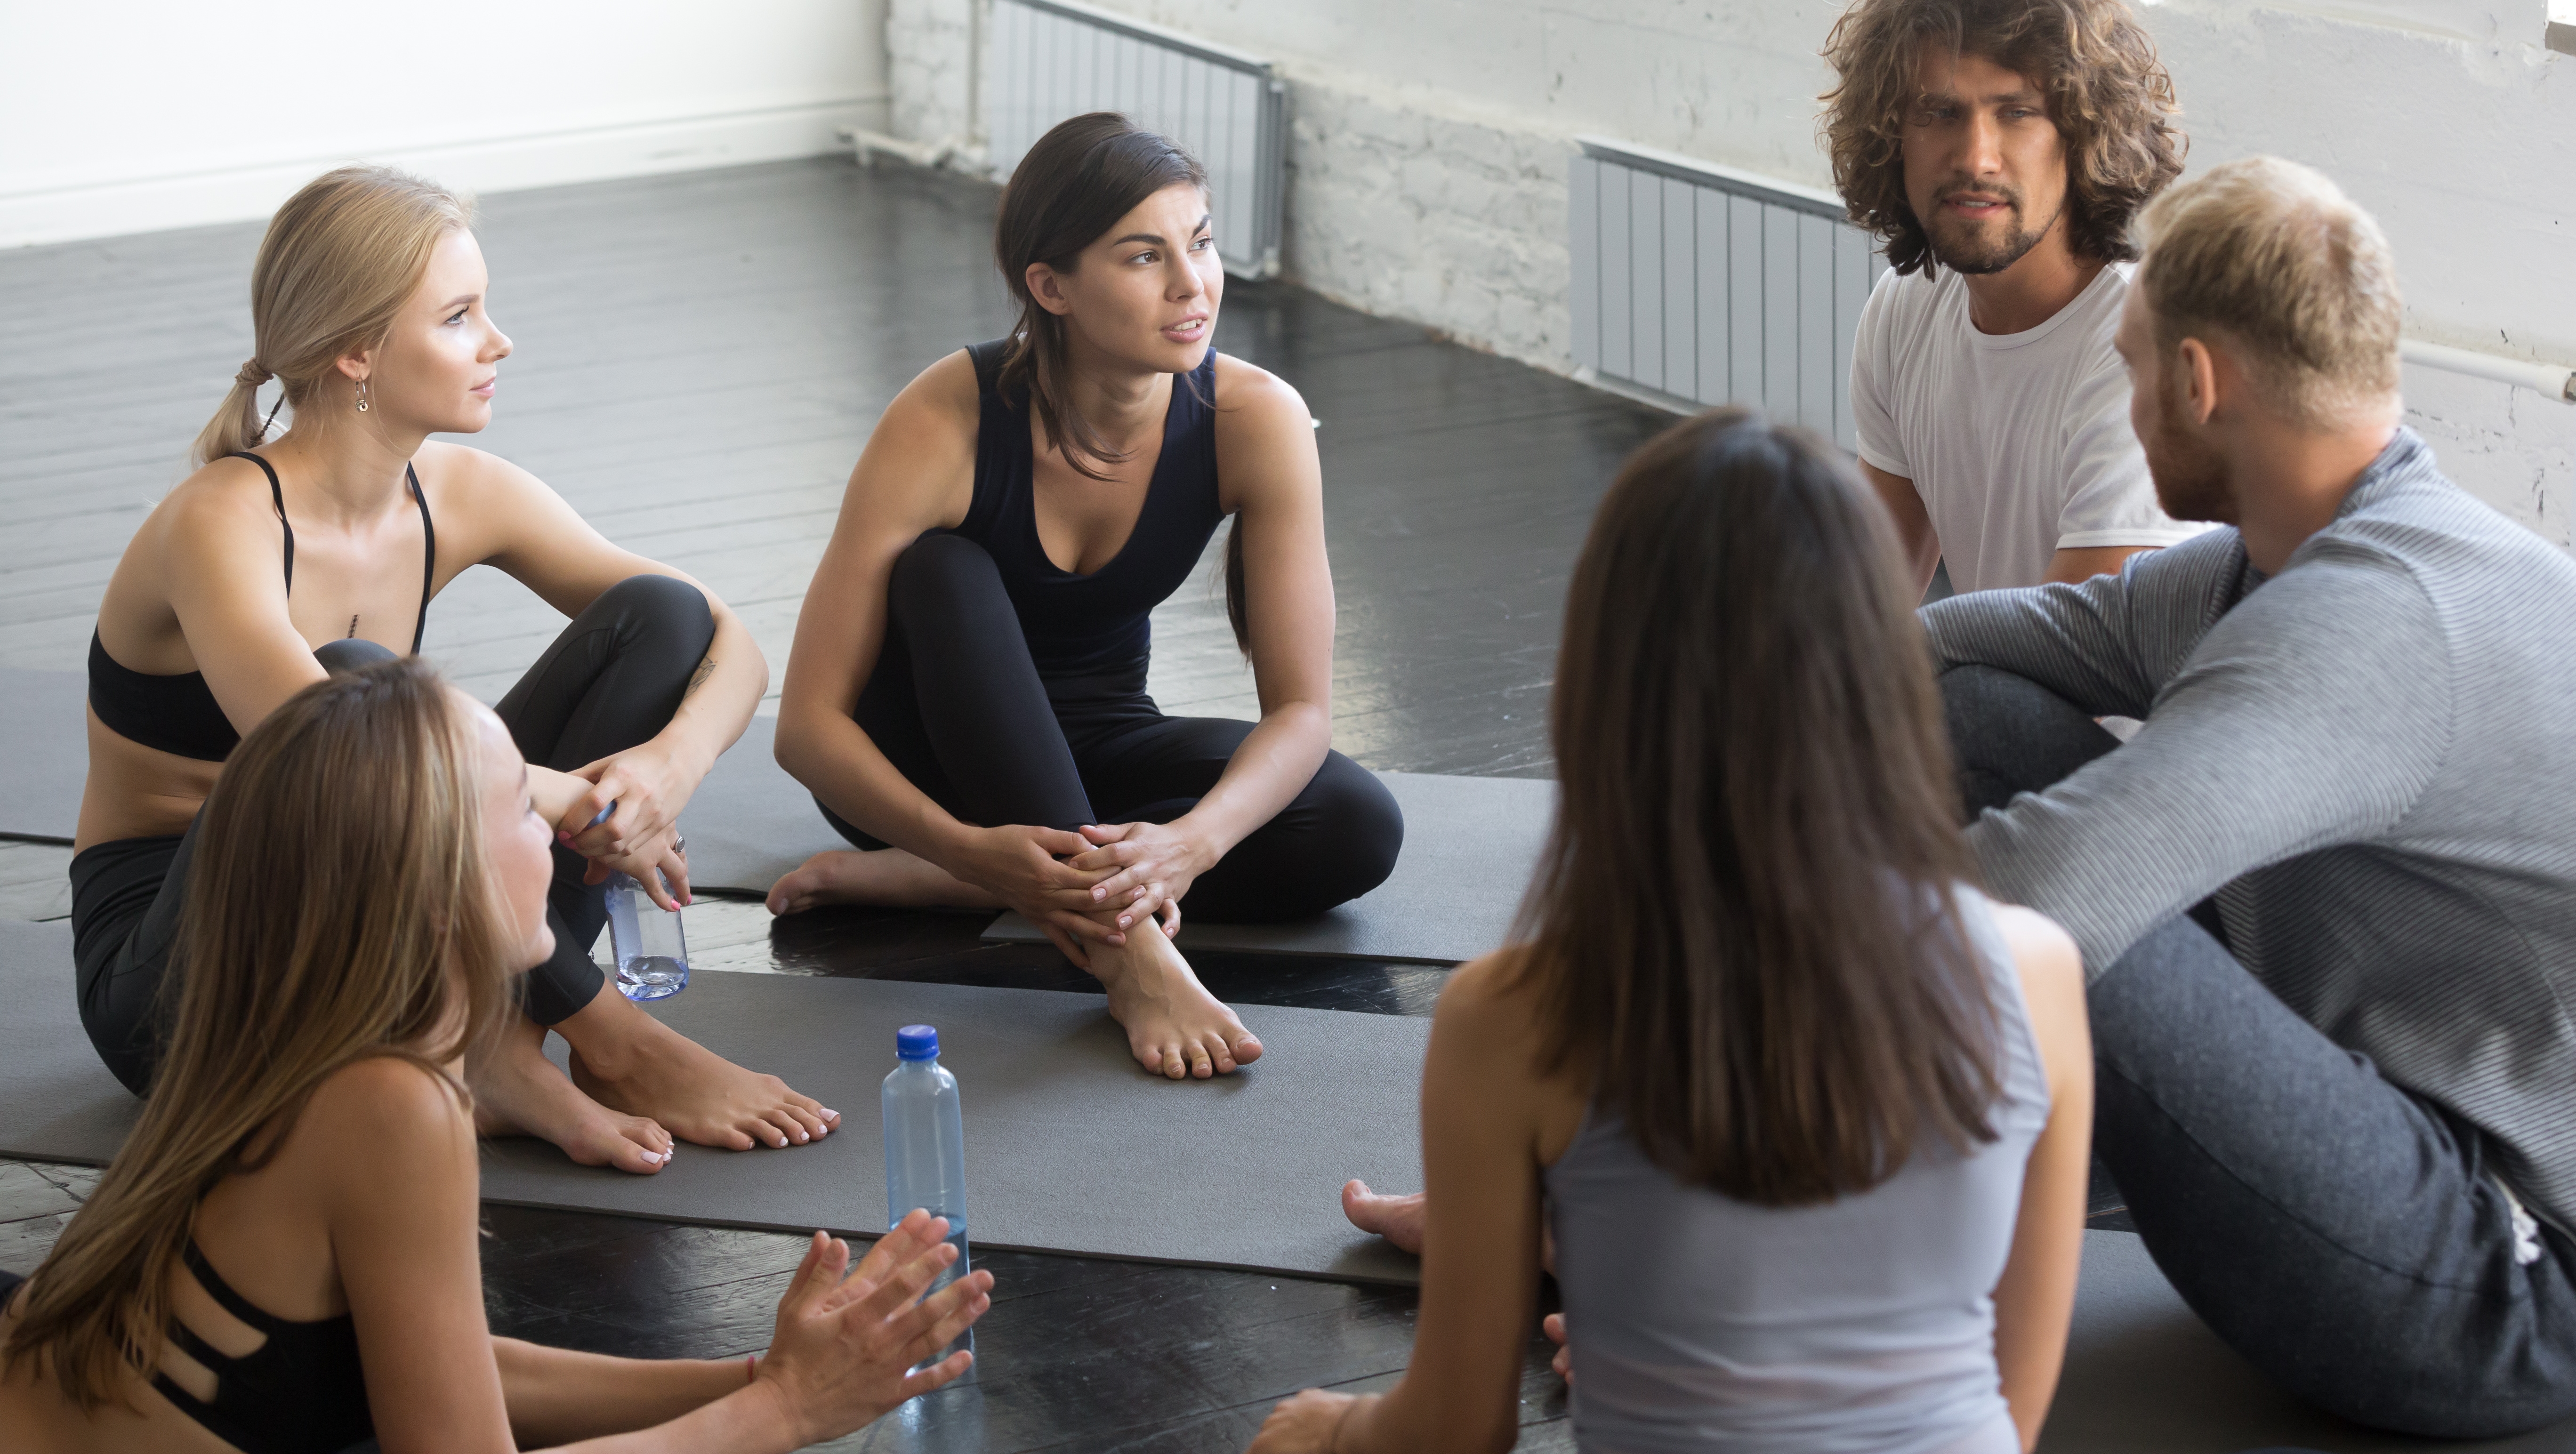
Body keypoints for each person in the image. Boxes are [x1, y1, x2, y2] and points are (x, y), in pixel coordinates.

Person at [1253, 410, 2094, 1453]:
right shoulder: (2039, 968)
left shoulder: (1512, 1015)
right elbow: (2012, 1407)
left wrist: (1336, 1427)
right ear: (1879, 676)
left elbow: (1455, 1428)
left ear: (1611, 684)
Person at [1926, 156, 2576, 1436]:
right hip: (2373, 1102)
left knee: (2045, 935)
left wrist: (1613, 1134)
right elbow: (1975, 643)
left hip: (2505, 1274)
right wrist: (1755, 680)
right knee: (1966, 712)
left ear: (2196, 381)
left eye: (2126, 366)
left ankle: (1726, 1208)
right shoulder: (2270, 562)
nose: (2124, 401)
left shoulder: (2385, 622)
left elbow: (2038, 898)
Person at [2, 660, 989, 1452]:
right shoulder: (388, 1101)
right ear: (439, 895)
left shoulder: (320, 1041)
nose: (561, 830)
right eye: (526, 806)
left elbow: (457, 1367)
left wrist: (760, 1379)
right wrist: (781, 1416)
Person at [75, 165, 835, 1174]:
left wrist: (661, 775)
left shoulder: (460, 493)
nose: (500, 341)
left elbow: (723, 637)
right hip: (189, 986)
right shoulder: (221, 520)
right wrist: (574, 799)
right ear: (358, 351)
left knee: (656, 613)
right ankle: (616, 1042)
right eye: (461, 316)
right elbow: (350, 755)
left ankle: (505, 1040)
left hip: (375, 935)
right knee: (359, 703)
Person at [770, 112, 1402, 1081]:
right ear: (1050, 285)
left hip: (1097, 748)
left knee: (1356, 824)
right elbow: (808, 729)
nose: (1193, 286)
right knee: (945, 570)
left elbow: (1304, 711)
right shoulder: (946, 417)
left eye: (1200, 243)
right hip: (925, 767)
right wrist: (975, 847)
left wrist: (1189, 844)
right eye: (1144, 256)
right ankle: (1130, 958)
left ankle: (970, 887)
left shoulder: (1255, 417)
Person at [1823, 0, 2207, 594]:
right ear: (1893, 136)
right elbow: (1862, 611)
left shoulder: (2141, 345)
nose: (1976, 157)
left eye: (2017, 112)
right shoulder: (1906, 307)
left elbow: (2068, 661)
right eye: (1940, 111)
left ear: (2083, 133)